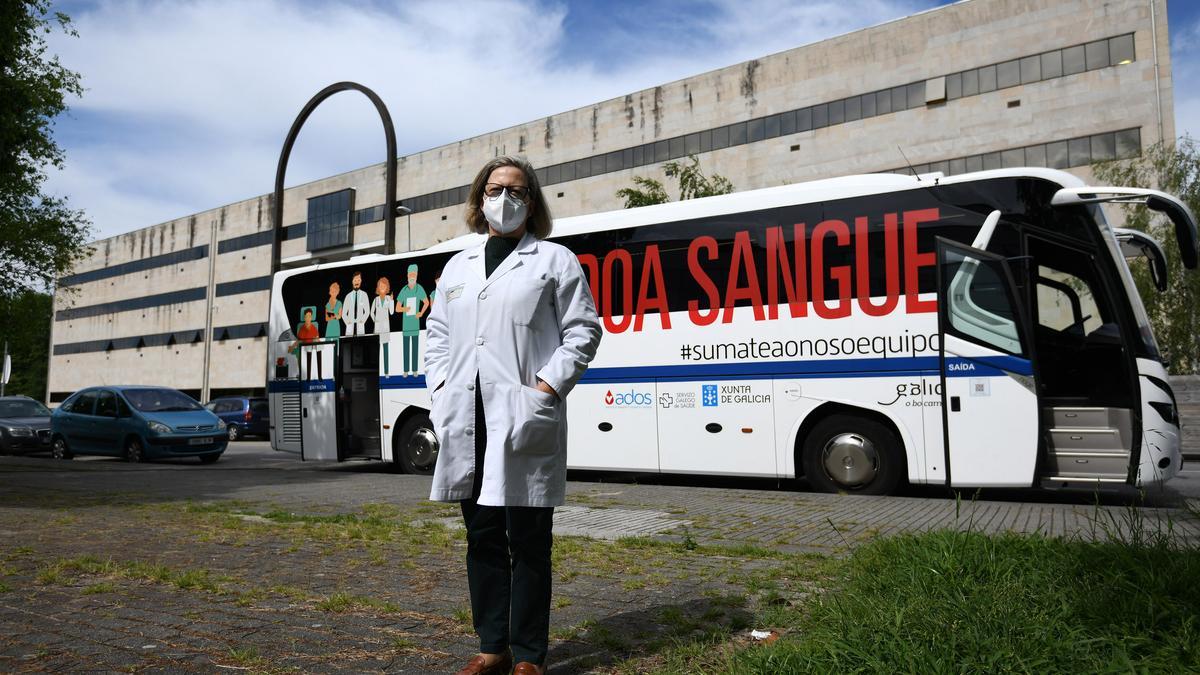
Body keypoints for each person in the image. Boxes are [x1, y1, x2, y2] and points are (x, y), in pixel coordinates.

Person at [425, 156, 602, 675]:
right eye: (497, 188)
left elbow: (583, 331)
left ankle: (528, 654)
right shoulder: (456, 268)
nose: (507, 199)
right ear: (480, 197)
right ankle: (492, 647)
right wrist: (439, 388)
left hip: (521, 414)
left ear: (533, 201)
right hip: (467, 417)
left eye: (519, 191)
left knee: (528, 540)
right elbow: (438, 337)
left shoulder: (554, 259)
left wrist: (546, 388)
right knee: (480, 537)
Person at [395, 263, 429, 377]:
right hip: (406, 326)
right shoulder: (404, 290)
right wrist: (405, 308)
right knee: (406, 349)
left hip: (415, 325)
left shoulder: (419, 289)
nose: (412, 276)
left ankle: (414, 370)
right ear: (407, 275)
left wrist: (421, 313)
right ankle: (405, 370)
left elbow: (426, 302)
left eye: (414, 274)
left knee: (415, 348)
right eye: (410, 274)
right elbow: (397, 308)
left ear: (417, 275)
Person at [370, 276, 394, 375]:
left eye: (384, 286)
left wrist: (392, 301)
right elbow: (371, 312)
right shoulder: (375, 300)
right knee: (377, 352)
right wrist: (375, 320)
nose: (382, 288)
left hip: (386, 328)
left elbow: (391, 312)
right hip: (378, 329)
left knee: (386, 351)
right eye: (380, 286)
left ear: (387, 288)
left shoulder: (389, 298)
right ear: (378, 288)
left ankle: (386, 372)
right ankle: (377, 372)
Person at [341, 270, 369, 336]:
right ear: (352, 281)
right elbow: (344, 313)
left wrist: (362, 321)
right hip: (350, 326)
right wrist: (348, 322)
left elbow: (367, 311)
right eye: (355, 280)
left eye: (358, 280)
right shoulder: (348, 296)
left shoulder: (364, 295)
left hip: (360, 325)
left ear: (361, 281)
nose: (357, 282)